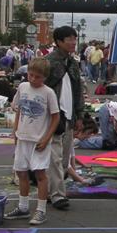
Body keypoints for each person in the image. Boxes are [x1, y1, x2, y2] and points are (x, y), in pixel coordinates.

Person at [5, 58, 60, 225]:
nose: (33, 79)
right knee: (21, 172)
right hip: (23, 137)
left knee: (40, 175)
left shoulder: (48, 93)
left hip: (39, 140)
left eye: (38, 77)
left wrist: (46, 138)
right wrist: (15, 131)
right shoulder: (22, 87)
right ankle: (23, 207)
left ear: (44, 77)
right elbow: (19, 110)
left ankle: (41, 210)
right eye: (31, 75)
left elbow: (55, 117)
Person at [45, 26, 85, 211]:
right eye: (68, 39)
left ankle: (49, 191)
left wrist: (79, 114)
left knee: (63, 159)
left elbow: (78, 91)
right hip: (53, 117)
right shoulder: (48, 62)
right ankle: (58, 195)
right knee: (53, 157)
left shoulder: (73, 62)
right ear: (58, 41)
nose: (73, 42)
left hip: (69, 116)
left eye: (74, 38)